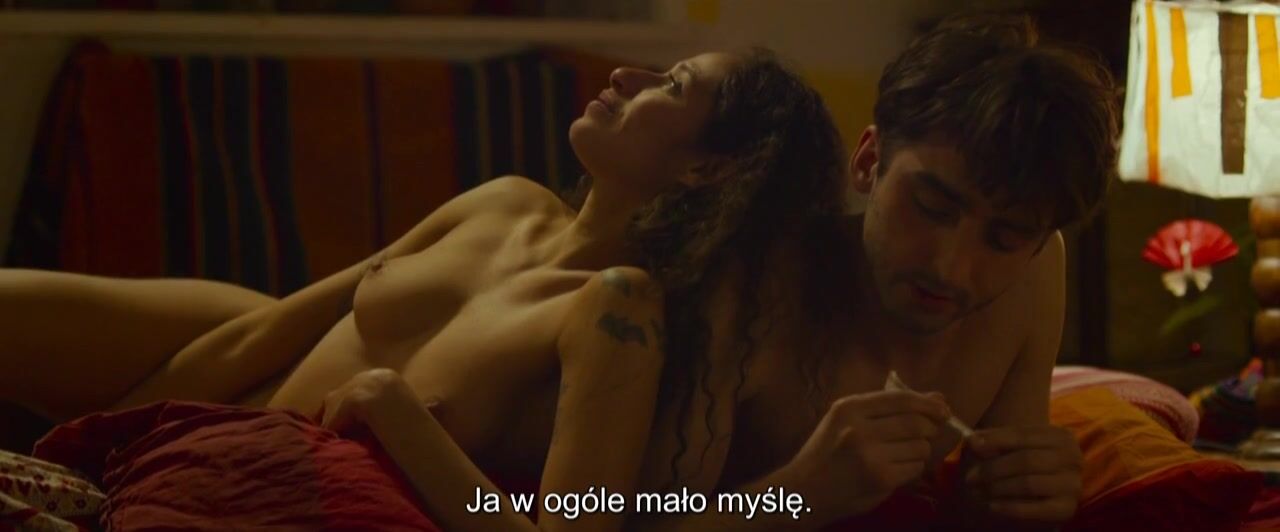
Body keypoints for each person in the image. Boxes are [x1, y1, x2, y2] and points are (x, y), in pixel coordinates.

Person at [0, 48, 851, 531]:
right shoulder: (503, 200)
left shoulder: (618, 313)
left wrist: (397, 413)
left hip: (249, 456)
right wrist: (107, 450)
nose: (629, 73)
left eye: (671, 85)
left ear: (707, 170)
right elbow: (280, 328)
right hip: (229, 352)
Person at [623, 14, 1119, 531]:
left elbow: (993, 505)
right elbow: (634, 520)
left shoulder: (1036, 276)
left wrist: (1026, 492)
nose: (948, 267)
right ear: (868, 160)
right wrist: (802, 493)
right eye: (930, 207)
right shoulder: (748, 291)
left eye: (1005, 239)